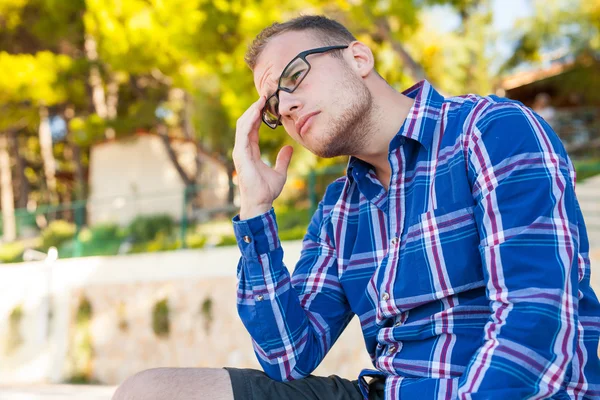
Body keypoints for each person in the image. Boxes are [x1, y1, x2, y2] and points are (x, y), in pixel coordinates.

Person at [113, 15, 600, 400]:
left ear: (359, 58)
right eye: (272, 106)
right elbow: (288, 356)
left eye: (294, 77)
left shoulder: (490, 130)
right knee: (148, 392)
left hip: (508, 390)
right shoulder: (338, 211)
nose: (285, 106)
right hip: (387, 390)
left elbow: (535, 319)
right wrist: (256, 207)